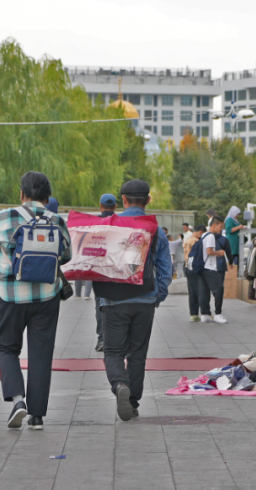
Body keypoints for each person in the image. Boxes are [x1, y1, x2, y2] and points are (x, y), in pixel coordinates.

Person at [0, 171, 68, 431]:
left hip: (10, 294)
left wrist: (4, 248)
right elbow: (67, 254)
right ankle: (37, 416)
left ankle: (18, 401)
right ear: (47, 196)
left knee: (7, 348)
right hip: (47, 296)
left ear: (22, 194)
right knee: (41, 354)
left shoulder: (5, 216)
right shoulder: (56, 219)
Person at [97, 179, 171, 422]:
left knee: (113, 351)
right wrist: (156, 296)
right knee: (137, 354)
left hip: (113, 300)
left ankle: (119, 384)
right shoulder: (156, 230)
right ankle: (133, 402)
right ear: (148, 200)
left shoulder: (109, 226)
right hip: (144, 300)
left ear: (124, 201)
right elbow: (165, 270)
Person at [75, 193, 117, 351]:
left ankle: (102, 339)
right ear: (116, 206)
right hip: (117, 271)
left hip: (99, 271)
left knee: (100, 303)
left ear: (100, 206)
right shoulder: (122, 223)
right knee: (117, 305)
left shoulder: (93, 224)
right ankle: (115, 339)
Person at [197, 218, 227, 324]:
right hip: (209, 267)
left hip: (201, 267)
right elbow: (209, 251)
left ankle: (205, 314)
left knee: (204, 291)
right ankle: (218, 314)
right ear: (214, 225)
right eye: (221, 227)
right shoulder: (210, 236)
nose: (221, 229)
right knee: (219, 288)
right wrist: (219, 253)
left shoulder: (204, 235)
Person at [183, 224, 206, 322]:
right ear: (200, 232)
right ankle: (205, 313)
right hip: (195, 267)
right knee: (200, 290)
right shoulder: (196, 241)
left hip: (187, 266)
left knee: (192, 291)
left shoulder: (187, 239)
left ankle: (193, 314)